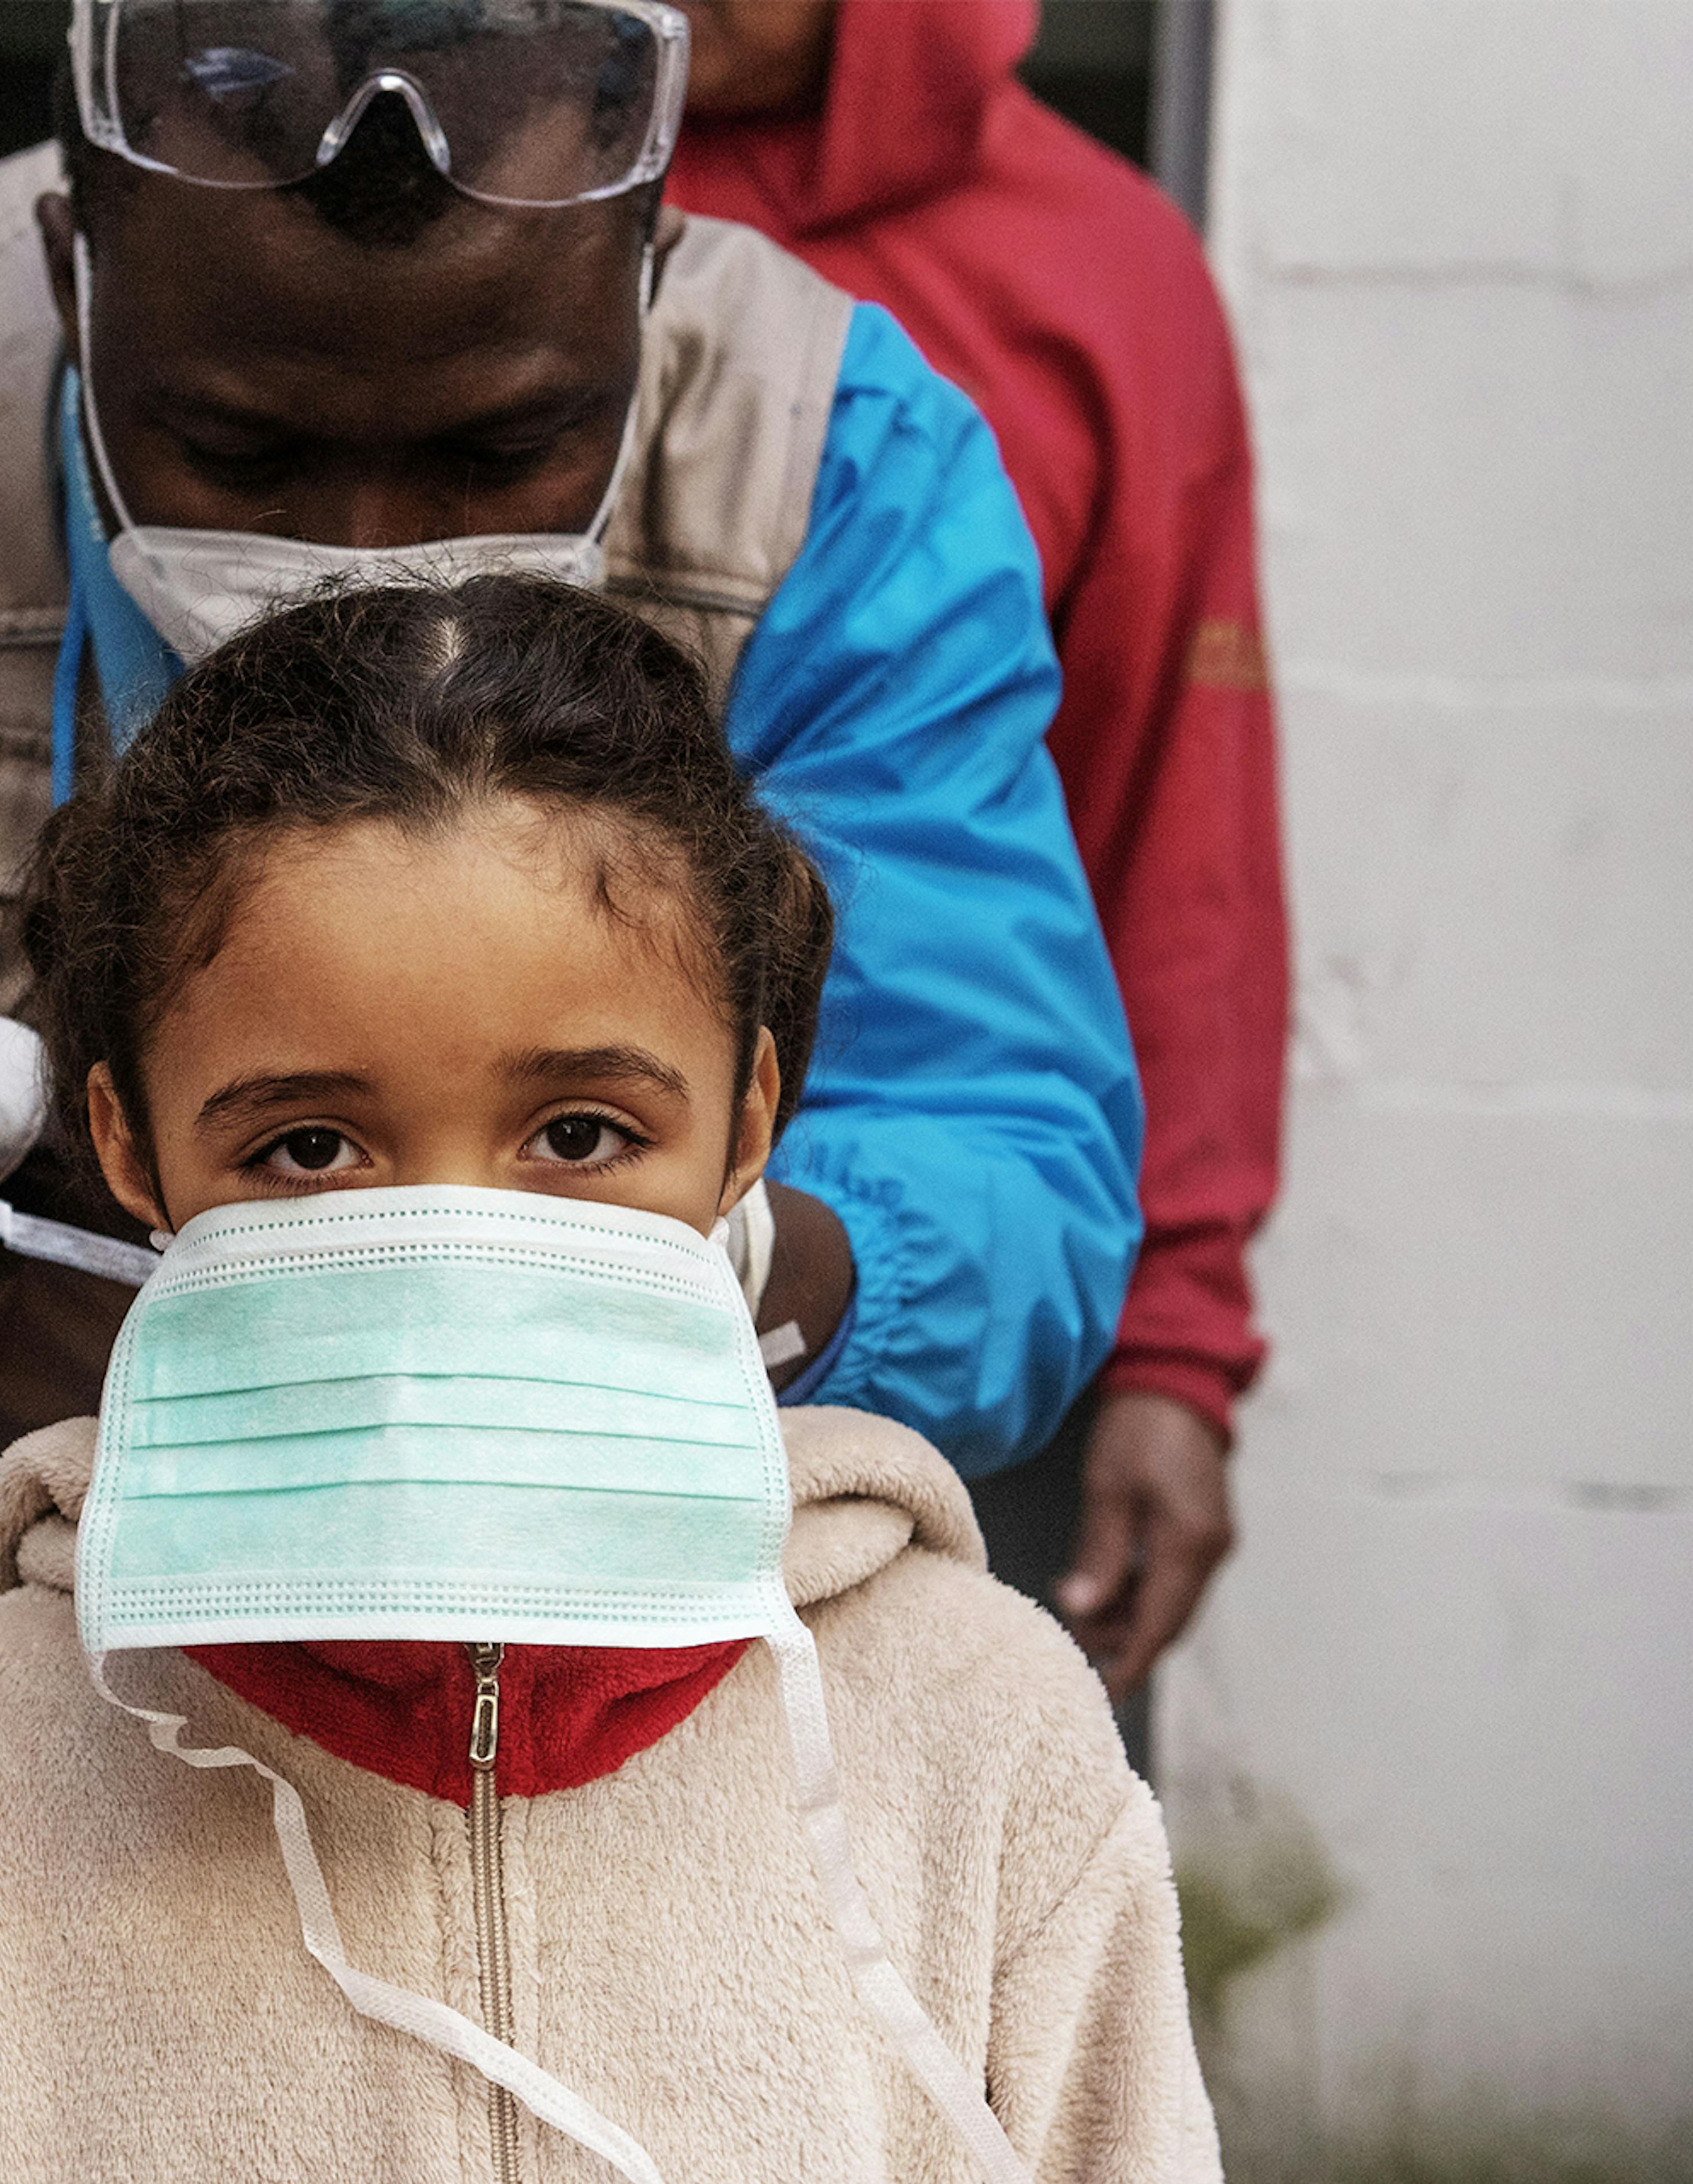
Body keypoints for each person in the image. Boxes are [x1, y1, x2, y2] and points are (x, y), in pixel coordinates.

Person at [0, 5, 1139, 2184]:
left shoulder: (842, 471)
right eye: (240, 445)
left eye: (506, 443)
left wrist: (744, 1255)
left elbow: (1006, 1145)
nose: (367, 555)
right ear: (73, 253)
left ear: (648, 271)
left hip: (540, 1651)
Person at [0, 575, 1230, 2184]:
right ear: (128, 1150)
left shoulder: (985, 1739)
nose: (447, 1246)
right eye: (308, 1147)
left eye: (579, 1130)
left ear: (749, 1122)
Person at [670, 0, 1291, 1724]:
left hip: (923, 1322)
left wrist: (1179, 1341)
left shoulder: (1102, 275)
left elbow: (1179, 830)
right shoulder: (487, 196)